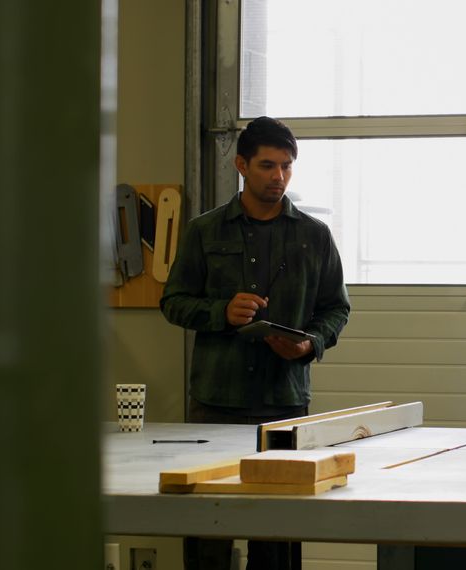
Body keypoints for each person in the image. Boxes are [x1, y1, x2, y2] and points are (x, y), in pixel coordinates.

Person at [160, 116, 351, 570]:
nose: (278, 177)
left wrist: (310, 346)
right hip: (214, 403)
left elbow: (336, 310)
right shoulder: (204, 232)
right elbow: (173, 302)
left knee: (279, 539)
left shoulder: (314, 235)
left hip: (283, 406)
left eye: (287, 166)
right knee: (207, 534)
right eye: (268, 165)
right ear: (241, 164)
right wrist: (220, 312)